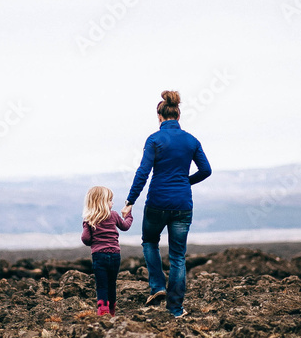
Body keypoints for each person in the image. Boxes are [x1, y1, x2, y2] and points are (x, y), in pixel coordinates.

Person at [121, 91, 210, 318]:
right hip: (182, 204)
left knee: (150, 242)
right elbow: (206, 170)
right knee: (178, 257)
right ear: (178, 116)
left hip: (157, 202)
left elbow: (143, 172)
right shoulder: (192, 140)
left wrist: (130, 200)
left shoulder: (154, 140)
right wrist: (185, 182)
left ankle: (158, 287)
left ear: (159, 116)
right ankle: (176, 309)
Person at [81, 186, 133, 316]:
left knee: (101, 284)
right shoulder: (114, 215)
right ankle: (112, 310)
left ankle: (102, 310)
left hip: (99, 256)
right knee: (112, 283)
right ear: (102, 201)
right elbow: (125, 226)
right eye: (110, 200)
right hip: (115, 255)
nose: (112, 203)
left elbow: (86, 239)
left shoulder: (89, 219)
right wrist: (128, 216)